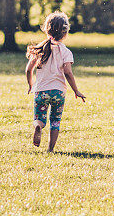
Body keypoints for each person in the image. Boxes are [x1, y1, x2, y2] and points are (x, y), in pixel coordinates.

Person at [25, 11, 86, 152]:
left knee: (39, 117)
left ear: (46, 29)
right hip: (59, 92)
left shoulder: (40, 49)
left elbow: (29, 70)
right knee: (55, 121)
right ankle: (50, 149)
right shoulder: (66, 52)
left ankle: (38, 126)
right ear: (65, 33)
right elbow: (68, 72)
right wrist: (76, 90)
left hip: (41, 91)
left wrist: (30, 84)